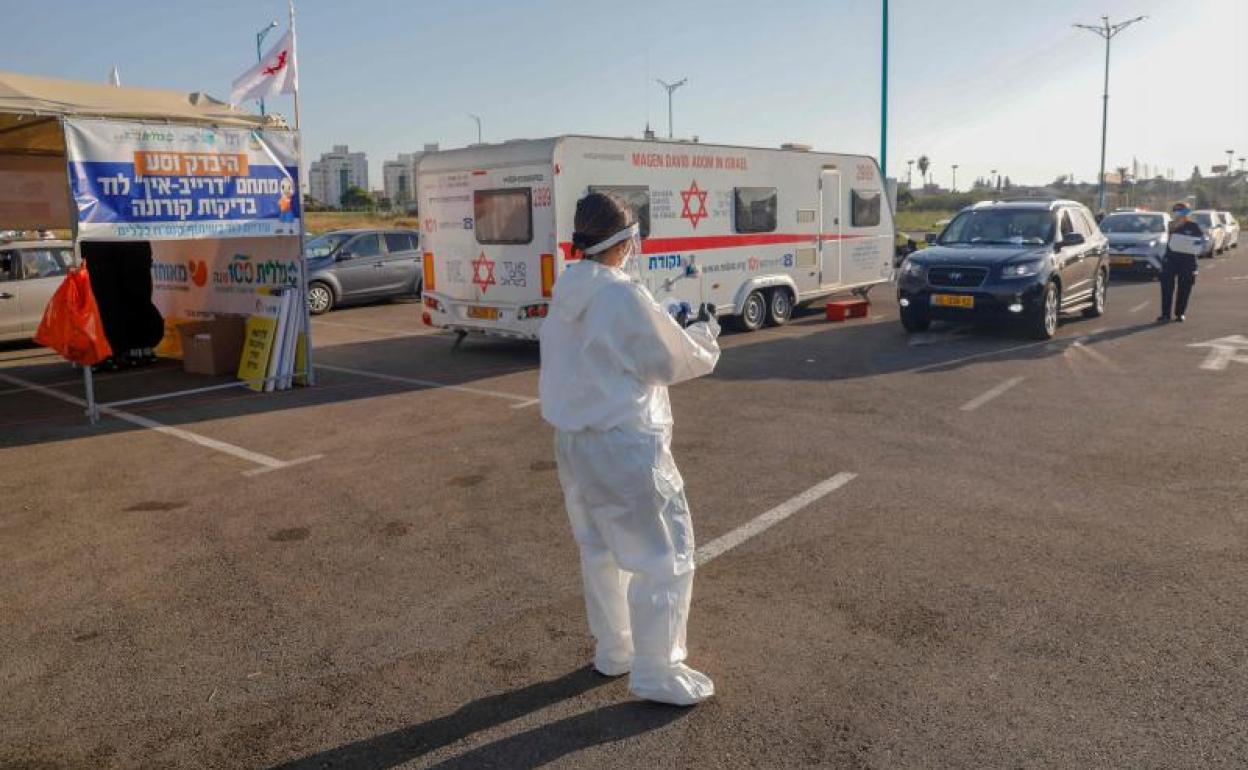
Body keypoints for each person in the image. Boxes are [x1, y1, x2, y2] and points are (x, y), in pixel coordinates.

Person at [539, 192, 721, 706]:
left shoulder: (569, 291)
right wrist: (704, 334)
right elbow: (668, 362)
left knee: (600, 550)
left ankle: (615, 651)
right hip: (624, 444)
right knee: (663, 556)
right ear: (624, 241)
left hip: (575, 443)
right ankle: (657, 671)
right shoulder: (622, 295)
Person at [1158, 202, 1203, 323]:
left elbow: (1200, 242)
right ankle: (1165, 314)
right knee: (1167, 288)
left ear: (1187, 213)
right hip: (1171, 259)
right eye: (1176, 211)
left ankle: (1180, 313)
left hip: (1188, 261)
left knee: (1185, 288)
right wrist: (1178, 223)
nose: (1177, 213)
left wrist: (1199, 243)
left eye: (1181, 211)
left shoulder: (1194, 226)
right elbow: (1171, 236)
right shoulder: (1172, 225)